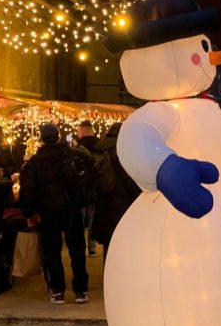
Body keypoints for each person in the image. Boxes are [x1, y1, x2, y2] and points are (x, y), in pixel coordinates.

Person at [19, 123, 89, 304]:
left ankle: (58, 291)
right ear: (58, 137)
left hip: (49, 211)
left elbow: (28, 190)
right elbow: (84, 175)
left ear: (41, 139)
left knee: (52, 251)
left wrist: (28, 211)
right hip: (71, 208)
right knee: (77, 249)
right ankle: (81, 290)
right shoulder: (69, 155)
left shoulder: (35, 162)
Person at [90, 122, 142, 263]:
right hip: (121, 201)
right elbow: (127, 178)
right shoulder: (120, 150)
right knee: (121, 243)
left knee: (109, 242)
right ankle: (118, 276)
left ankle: (107, 276)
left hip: (104, 201)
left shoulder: (99, 149)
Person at [74, 120, 98, 256]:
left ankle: (80, 247)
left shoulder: (78, 148)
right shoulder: (99, 145)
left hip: (81, 187)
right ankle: (92, 247)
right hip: (94, 186)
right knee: (92, 218)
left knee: (80, 218)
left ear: (82, 130)